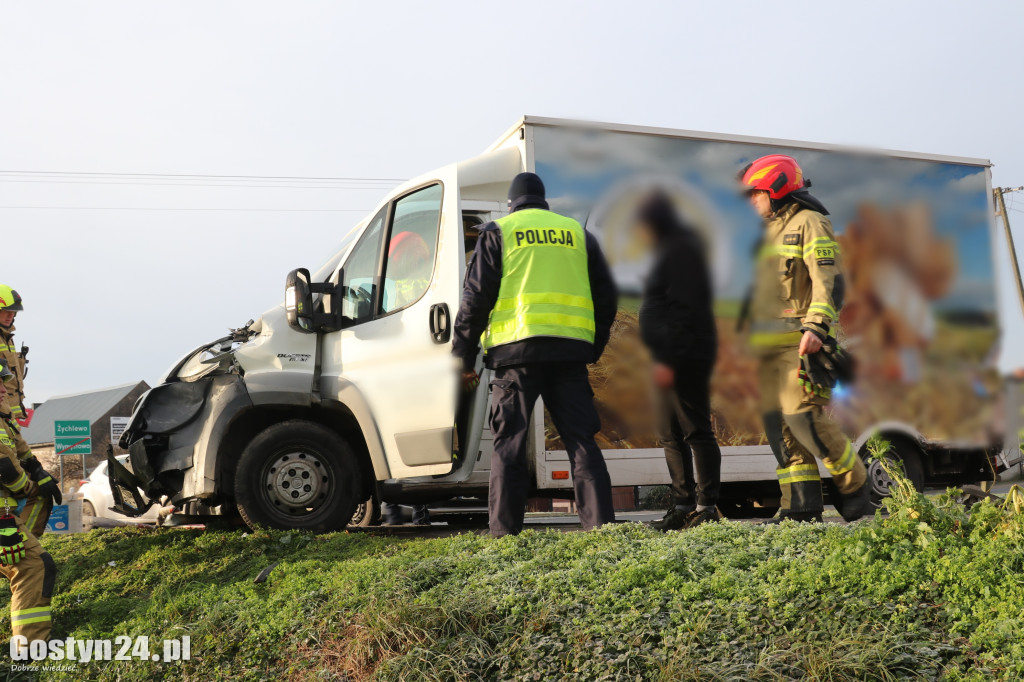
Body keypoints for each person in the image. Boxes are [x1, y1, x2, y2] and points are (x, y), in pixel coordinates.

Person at [452, 172, 618, 537]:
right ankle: (602, 532)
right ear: (544, 202)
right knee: (581, 442)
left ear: (512, 204)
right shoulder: (577, 234)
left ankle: (504, 536)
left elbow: (475, 299)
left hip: (516, 357)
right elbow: (607, 297)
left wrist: (462, 358)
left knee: (509, 444)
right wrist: (593, 346)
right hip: (568, 355)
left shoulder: (500, 232)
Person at [739, 154, 870, 523]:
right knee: (779, 431)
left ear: (777, 189)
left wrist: (815, 328)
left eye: (756, 193)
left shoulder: (810, 223)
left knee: (803, 420)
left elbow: (828, 282)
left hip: (797, 342)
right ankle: (800, 506)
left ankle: (854, 483)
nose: (751, 201)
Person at [634, 191, 723, 530]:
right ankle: (682, 505)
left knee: (695, 431)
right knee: (669, 433)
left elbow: (685, 310)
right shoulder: (667, 251)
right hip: (666, 356)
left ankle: (706, 507)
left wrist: (670, 360)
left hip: (684, 356)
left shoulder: (682, 249)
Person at [0, 361, 57, 655]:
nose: (3, 390)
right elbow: (6, 472)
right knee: (33, 566)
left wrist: (39, 471)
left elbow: (19, 449)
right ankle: (30, 650)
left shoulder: (3, 417)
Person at [0, 286, 28, 421]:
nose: (11, 315)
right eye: (6, 311)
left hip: (9, 415)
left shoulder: (7, 339)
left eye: (14, 311)